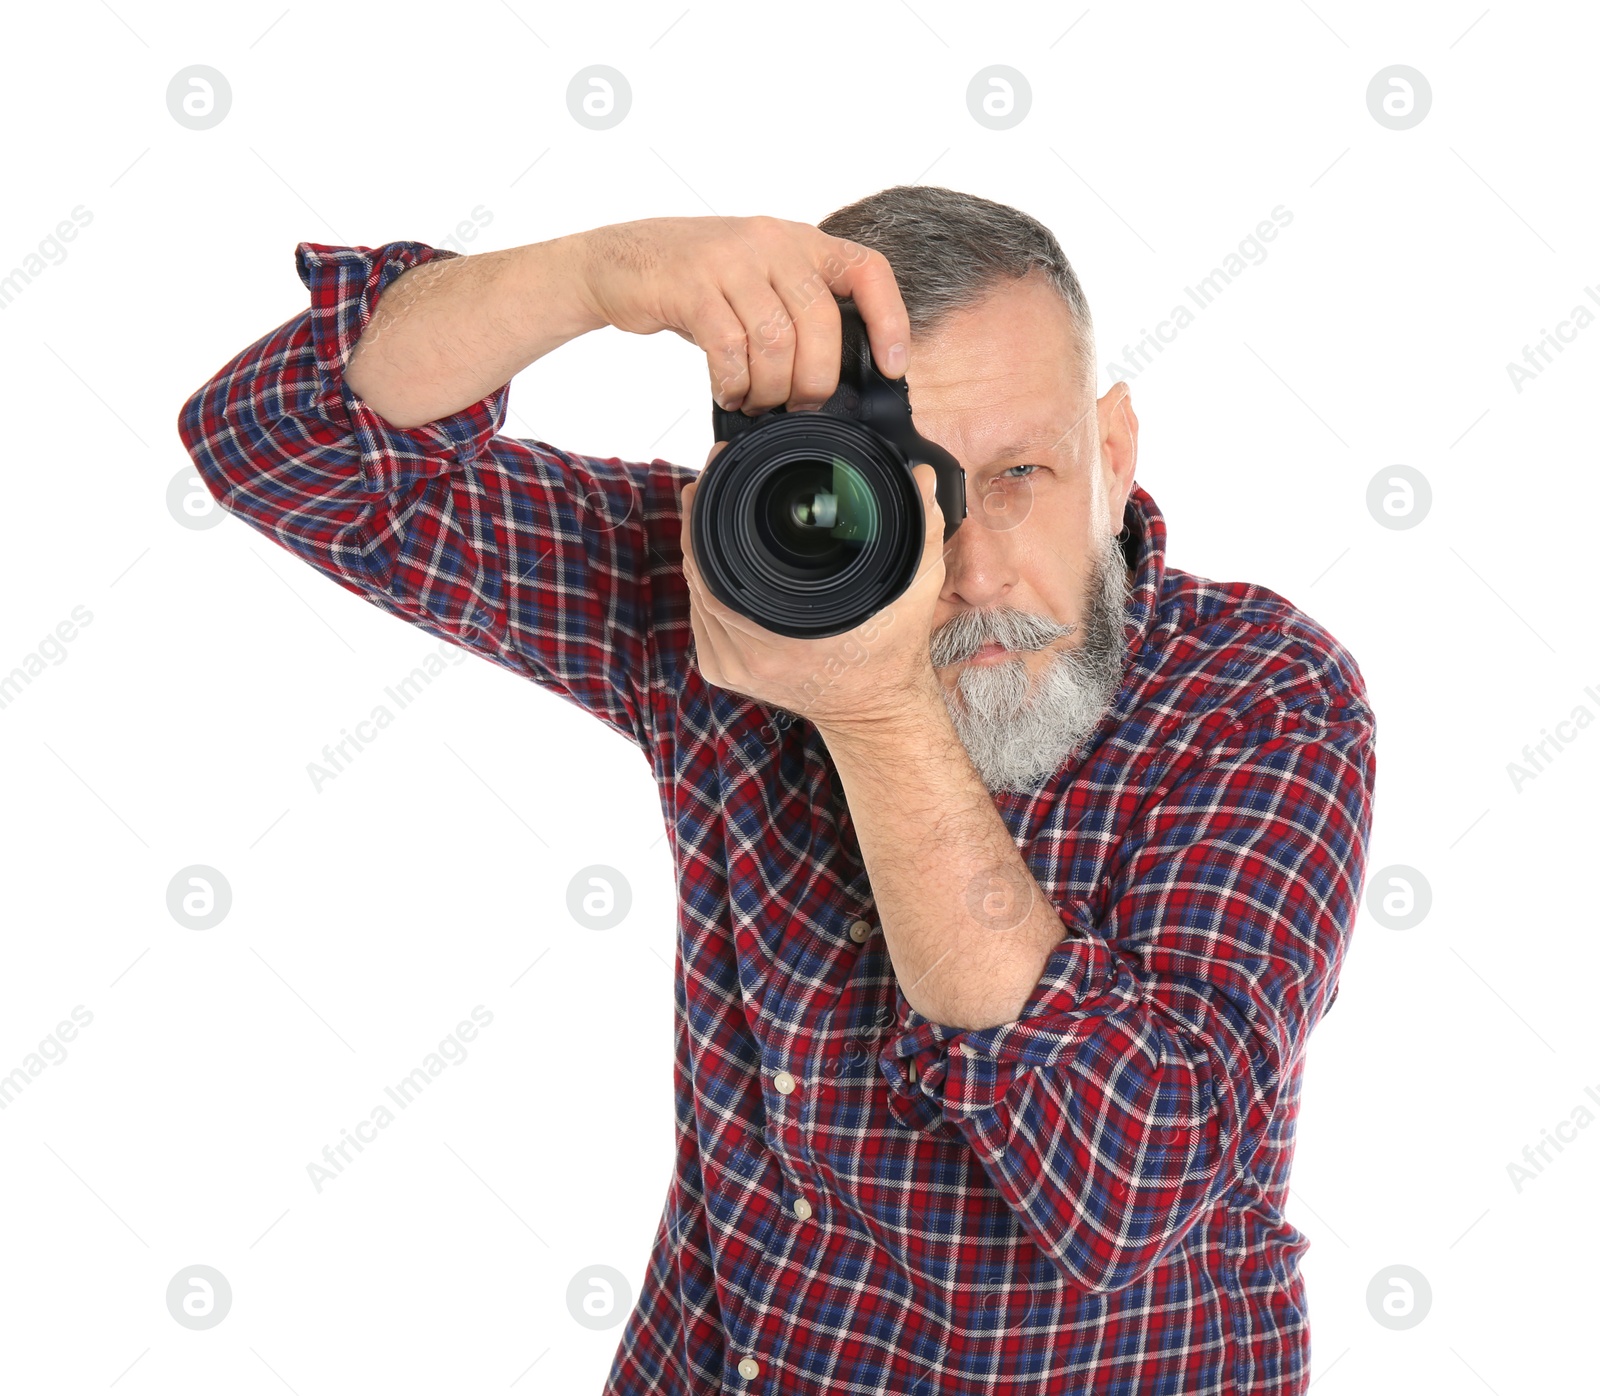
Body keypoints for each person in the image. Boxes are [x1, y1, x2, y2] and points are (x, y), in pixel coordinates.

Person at [178, 184, 1376, 1395]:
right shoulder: (746, 584)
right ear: (795, 474)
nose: (965, 566)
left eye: (1018, 471)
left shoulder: (1261, 696)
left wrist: (871, 710)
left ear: (1111, 455)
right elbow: (279, 439)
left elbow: (1128, 1186)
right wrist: (604, 272)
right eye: (903, 489)